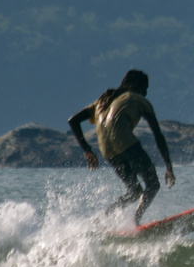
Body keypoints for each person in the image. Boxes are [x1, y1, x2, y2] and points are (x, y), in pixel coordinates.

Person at [69, 68, 177, 223]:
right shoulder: (139, 100)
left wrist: (87, 150)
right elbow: (158, 135)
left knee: (134, 192)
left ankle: (102, 219)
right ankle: (136, 220)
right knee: (153, 185)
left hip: (108, 152)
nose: (145, 93)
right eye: (145, 89)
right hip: (128, 145)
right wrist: (169, 167)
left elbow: (73, 120)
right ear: (137, 86)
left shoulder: (103, 100)